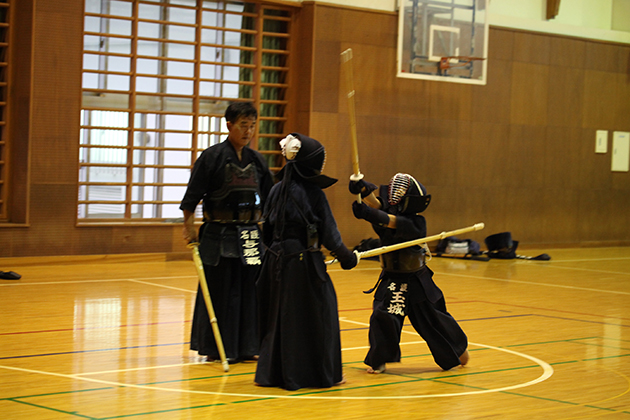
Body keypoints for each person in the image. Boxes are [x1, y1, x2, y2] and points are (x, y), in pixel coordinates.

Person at [254, 133, 358, 391]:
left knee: (280, 316)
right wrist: (347, 258)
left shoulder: (276, 190)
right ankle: (318, 375)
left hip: (275, 262)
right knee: (320, 314)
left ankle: (275, 375)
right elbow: (330, 235)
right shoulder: (313, 193)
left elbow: (265, 231)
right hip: (303, 264)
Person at [180, 101, 274, 364]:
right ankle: (217, 347)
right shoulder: (212, 157)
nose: (249, 131)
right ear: (229, 125)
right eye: (244, 125)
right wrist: (188, 228)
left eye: (253, 125)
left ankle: (248, 346)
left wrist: (271, 232)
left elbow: (269, 199)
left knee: (249, 289)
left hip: (250, 234)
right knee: (221, 290)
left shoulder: (257, 161)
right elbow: (191, 198)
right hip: (217, 233)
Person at [349, 173, 469, 374]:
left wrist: (367, 213)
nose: (393, 197)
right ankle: (379, 360)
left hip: (416, 281)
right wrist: (362, 189)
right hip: (392, 279)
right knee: (383, 316)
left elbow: (388, 220)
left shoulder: (416, 223)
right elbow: (378, 205)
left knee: (434, 320)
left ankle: (457, 350)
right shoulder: (388, 211)